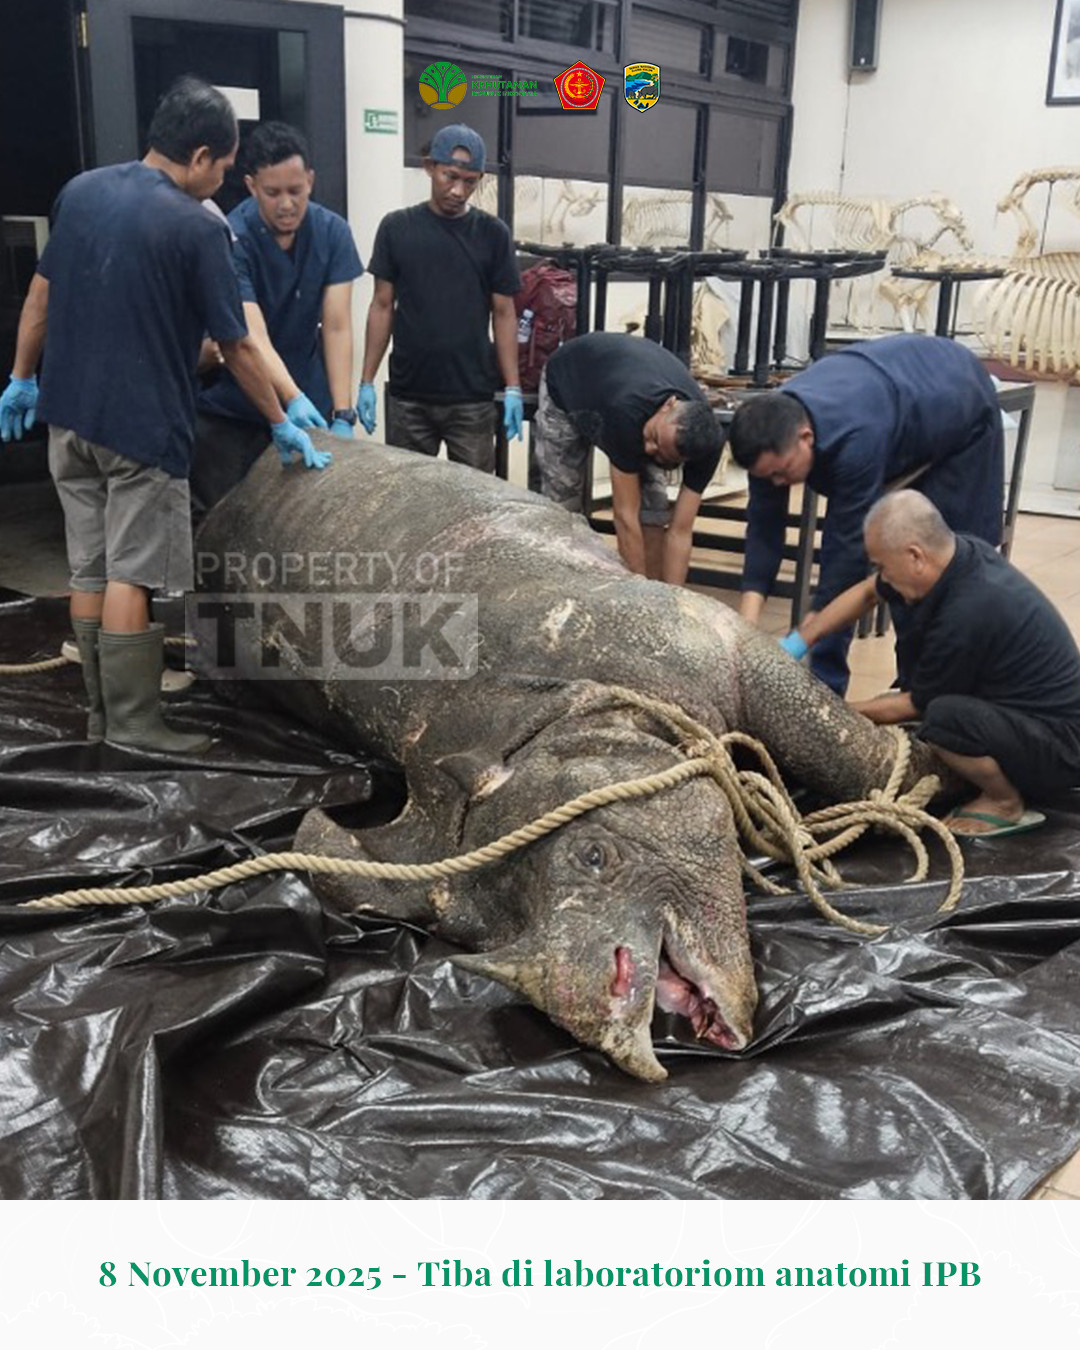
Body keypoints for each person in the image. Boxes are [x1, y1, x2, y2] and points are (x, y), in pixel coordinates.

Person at [0, 76, 329, 755]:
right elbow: (236, 343)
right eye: (228, 168)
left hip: (66, 420)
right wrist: (278, 420)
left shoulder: (81, 191)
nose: (228, 182)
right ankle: (136, 724)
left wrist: (21, 378)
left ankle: (99, 714)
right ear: (202, 155)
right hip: (141, 429)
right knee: (132, 573)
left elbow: (41, 294)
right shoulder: (194, 227)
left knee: (88, 570)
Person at [791, 490, 1080, 838]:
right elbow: (869, 592)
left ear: (915, 556)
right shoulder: (953, 555)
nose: (881, 574)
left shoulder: (968, 610)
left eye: (882, 565)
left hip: (1060, 745)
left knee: (942, 720)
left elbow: (914, 705)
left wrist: (825, 711)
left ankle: (1004, 800)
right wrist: (801, 639)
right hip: (1021, 710)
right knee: (914, 705)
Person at [729, 333, 1004, 695]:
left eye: (782, 472)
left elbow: (844, 556)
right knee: (901, 571)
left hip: (961, 409)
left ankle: (900, 691)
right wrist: (745, 633)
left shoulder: (855, 439)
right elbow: (764, 530)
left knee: (937, 569)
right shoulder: (769, 439)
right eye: (768, 477)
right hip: (898, 398)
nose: (778, 483)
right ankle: (912, 685)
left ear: (806, 437)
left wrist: (804, 648)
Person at [190, 120, 364, 519]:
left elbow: (336, 326)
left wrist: (342, 413)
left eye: (295, 191)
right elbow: (252, 334)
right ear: (251, 186)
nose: (286, 204)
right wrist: (290, 400)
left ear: (311, 181)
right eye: (273, 193)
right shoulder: (230, 238)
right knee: (223, 523)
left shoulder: (332, 232)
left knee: (305, 520)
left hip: (308, 403)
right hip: (232, 409)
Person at [358, 123, 522, 472]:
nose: (458, 191)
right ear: (429, 167)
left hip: (471, 397)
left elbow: (504, 312)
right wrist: (366, 381)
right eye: (450, 177)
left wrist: (512, 387)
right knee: (406, 500)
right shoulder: (397, 228)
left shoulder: (493, 235)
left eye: (470, 182)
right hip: (409, 395)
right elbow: (382, 305)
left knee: (477, 506)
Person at [533, 331, 725, 584]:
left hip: (622, 386)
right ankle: (563, 590)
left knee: (654, 510)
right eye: (654, 438)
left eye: (661, 454)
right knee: (564, 508)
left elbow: (680, 531)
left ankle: (658, 595)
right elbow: (625, 517)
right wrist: (637, 598)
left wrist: (673, 600)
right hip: (570, 377)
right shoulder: (625, 411)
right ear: (669, 404)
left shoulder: (708, 444)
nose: (648, 450)